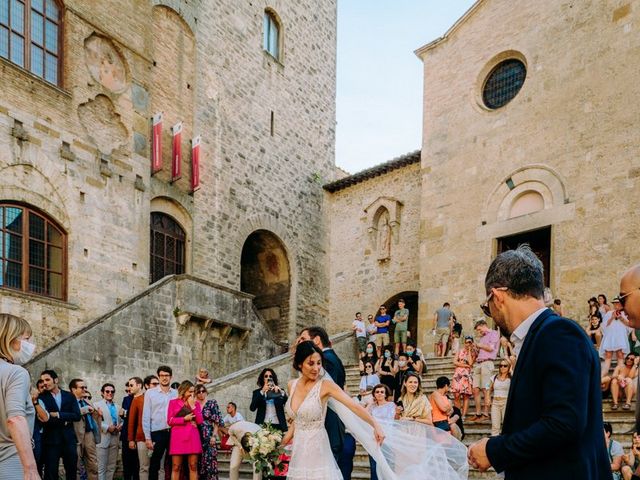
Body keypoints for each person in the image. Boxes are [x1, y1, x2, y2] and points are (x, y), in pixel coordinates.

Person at [468, 245, 610, 479]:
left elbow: (564, 423)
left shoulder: (559, 332)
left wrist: (495, 450)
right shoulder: (541, 335)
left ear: (498, 296)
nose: (490, 314)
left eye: (487, 307)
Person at [281, 341, 385, 480]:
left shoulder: (326, 386)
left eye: (319, 363)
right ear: (299, 364)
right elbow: (298, 419)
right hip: (298, 450)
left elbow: (354, 406)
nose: (316, 368)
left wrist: (375, 425)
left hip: (317, 449)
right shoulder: (291, 385)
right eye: (311, 363)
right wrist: (279, 442)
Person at [296, 326, 346, 468]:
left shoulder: (327, 360)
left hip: (328, 426)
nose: (301, 344)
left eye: (304, 339)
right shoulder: (331, 358)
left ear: (316, 340)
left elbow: (323, 394)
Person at [0, 314, 40, 480]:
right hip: (10, 461)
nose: (30, 345)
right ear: (9, 338)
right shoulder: (16, 372)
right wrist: (30, 469)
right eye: (26, 339)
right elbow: (15, 419)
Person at [39, 369, 82, 480]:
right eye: (43, 380)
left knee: (72, 471)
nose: (45, 383)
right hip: (51, 441)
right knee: (51, 472)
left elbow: (77, 415)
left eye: (47, 379)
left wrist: (58, 415)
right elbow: (46, 419)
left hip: (69, 440)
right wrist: (66, 419)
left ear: (56, 380)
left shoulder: (69, 396)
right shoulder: (41, 397)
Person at [142, 366, 177, 480]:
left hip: (173, 432)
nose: (164, 378)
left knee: (173, 463)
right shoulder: (150, 393)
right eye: (162, 375)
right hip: (157, 433)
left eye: (167, 375)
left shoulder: (176, 394)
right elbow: (146, 416)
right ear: (158, 376)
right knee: (154, 464)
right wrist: (148, 438)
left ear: (171, 377)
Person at [167, 381, 202, 480]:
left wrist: (193, 407)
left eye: (193, 392)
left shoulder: (196, 404)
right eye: (190, 391)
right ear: (183, 391)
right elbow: (169, 421)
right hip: (177, 438)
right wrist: (184, 419)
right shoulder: (173, 402)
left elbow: (199, 421)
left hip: (192, 437)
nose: (192, 394)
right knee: (176, 466)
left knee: (193, 466)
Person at [469, 319, 500, 423]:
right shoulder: (482, 338)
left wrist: (479, 345)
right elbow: (480, 350)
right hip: (478, 363)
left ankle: (485, 414)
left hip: (487, 363)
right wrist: (475, 348)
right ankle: (478, 413)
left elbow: (491, 348)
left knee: (485, 389)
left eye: (479, 329)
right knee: (475, 389)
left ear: (484, 325)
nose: (479, 332)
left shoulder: (494, 333)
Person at [70, 378, 100, 480]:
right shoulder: (69, 401)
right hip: (75, 435)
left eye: (86, 387)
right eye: (82, 387)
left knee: (93, 464)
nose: (85, 389)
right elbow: (70, 414)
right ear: (74, 389)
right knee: (76, 464)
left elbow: (94, 418)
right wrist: (84, 410)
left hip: (89, 435)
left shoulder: (87, 401)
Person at [128, 375, 157, 480]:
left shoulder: (161, 399)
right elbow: (131, 421)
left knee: (159, 467)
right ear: (146, 385)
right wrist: (131, 439)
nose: (156, 386)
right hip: (141, 437)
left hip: (159, 437)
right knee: (144, 467)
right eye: (154, 384)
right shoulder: (138, 399)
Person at [195, 384, 224, 480]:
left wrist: (214, 436)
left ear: (206, 392)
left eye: (203, 391)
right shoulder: (194, 404)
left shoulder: (212, 403)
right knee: (198, 463)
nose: (201, 393)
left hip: (209, 435)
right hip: (196, 436)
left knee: (210, 461)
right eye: (199, 391)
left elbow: (216, 421)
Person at [366, 384, 395, 480]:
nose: (379, 394)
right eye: (377, 392)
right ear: (374, 394)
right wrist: (370, 403)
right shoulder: (372, 407)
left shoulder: (391, 405)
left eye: (382, 392)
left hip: (388, 439)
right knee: (374, 467)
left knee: (387, 466)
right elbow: (363, 415)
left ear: (386, 394)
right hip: (374, 440)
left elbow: (392, 421)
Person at [94, 383, 122, 480]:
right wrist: (106, 427)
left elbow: (122, 421)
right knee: (101, 468)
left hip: (115, 438)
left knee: (111, 467)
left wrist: (120, 426)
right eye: (107, 391)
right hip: (103, 438)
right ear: (102, 393)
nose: (110, 393)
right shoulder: (96, 405)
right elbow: (95, 422)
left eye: (112, 391)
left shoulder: (118, 407)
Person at [601, 297, 631, 377]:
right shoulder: (609, 313)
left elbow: (629, 325)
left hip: (620, 336)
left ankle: (619, 374)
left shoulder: (625, 313)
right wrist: (612, 317)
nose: (616, 305)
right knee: (608, 354)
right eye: (615, 303)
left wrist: (621, 318)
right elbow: (604, 325)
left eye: (618, 303)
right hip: (611, 335)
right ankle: (603, 374)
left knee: (620, 354)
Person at [450, 336, 475, 419]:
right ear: (464, 343)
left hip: (466, 375)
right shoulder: (459, 351)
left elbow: (471, 363)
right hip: (458, 374)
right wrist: (465, 365)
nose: (468, 344)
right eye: (467, 342)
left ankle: (463, 416)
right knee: (456, 395)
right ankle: (458, 414)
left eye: (470, 342)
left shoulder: (473, 352)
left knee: (465, 395)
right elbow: (454, 362)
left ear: (472, 343)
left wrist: (469, 351)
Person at [121, 378, 140, 480]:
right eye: (127, 390)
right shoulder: (126, 399)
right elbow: (124, 416)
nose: (129, 391)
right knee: (126, 463)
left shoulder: (142, 398)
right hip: (126, 435)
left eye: (131, 387)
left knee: (137, 463)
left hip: (139, 435)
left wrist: (125, 413)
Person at [489, 360, 511, 437]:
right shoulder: (494, 377)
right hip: (495, 402)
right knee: (495, 425)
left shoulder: (511, 378)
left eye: (505, 366)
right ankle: (494, 443)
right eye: (501, 365)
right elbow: (488, 387)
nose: (502, 367)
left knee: (506, 424)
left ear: (509, 367)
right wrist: (487, 398)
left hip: (506, 402)